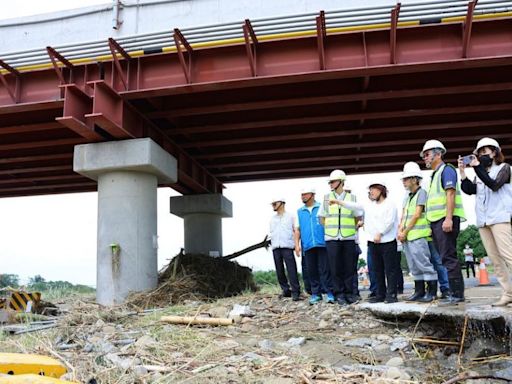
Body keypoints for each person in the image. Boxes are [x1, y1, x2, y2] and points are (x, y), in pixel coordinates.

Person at [459, 137, 512, 306]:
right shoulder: (480, 173)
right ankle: (508, 293)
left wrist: (476, 167)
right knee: (495, 260)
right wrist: (462, 173)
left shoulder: (504, 168)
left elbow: (494, 185)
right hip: (483, 220)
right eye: (479, 153)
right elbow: (470, 190)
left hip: (500, 218)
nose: (482, 155)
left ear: (495, 152)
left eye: (485, 152)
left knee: (508, 256)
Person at [421, 139, 466, 304]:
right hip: (437, 221)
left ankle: (457, 294)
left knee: (448, 256)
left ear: (438, 154)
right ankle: (455, 293)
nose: (424, 158)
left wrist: (448, 218)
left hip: (445, 220)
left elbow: (450, 194)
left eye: (427, 154)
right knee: (445, 256)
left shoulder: (447, 170)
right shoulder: (434, 175)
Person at [339, 181, 399, 303]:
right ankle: (380, 294)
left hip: (387, 241)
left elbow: (390, 222)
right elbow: (354, 206)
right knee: (377, 269)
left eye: (373, 189)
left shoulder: (390, 204)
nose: (371, 192)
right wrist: (338, 202)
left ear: (381, 190)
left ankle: (392, 294)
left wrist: (380, 233)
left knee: (390, 269)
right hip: (373, 242)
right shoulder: (369, 205)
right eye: (370, 190)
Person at [318, 170, 363, 306]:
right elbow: (321, 219)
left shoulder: (352, 198)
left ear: (341, 182)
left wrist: (348, 229)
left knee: (349, 267)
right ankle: (339, 294)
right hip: (332, 238)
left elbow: (358, 217)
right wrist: (331, 230)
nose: (330, 184)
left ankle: (350, 293)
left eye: (333, 181)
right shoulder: (326, 198)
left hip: (348, 237)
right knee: (335, 267)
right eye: (330, 182)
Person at [397, 161, 439, 302]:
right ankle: (419, 291)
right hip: (408, 237)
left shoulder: (422, 193)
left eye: (406, 178)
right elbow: (404, 215)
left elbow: (416, 215)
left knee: (424, 264)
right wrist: (400, 231)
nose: (404, 181)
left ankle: (431, 292)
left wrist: (405, 231)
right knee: (413, 266)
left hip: (419, 235)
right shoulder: (408, 197)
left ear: (415, 179)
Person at [295, 187, 335, 305]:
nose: (303, 197)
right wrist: (297, 245)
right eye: (301, 194)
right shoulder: (300, 211)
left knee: (325, 269)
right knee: (311, 270)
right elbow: (298, 229)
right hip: (307, 244)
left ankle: (329, 293)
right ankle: (316, 294)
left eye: (305, 194)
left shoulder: (321, 207)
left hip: (322, 242)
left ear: (312, 195)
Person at [269, 197, 301, 301]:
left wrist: (297, 245)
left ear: (282, 203)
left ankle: (296, 291)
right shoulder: (272, 219)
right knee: (279, 270)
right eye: (272, 204)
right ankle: (285, 290)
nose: (273, 205)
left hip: (287, 246)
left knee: (291, 269)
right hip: (276, 247)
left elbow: (296, 230)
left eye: (275, 203)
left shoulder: (291, 216)